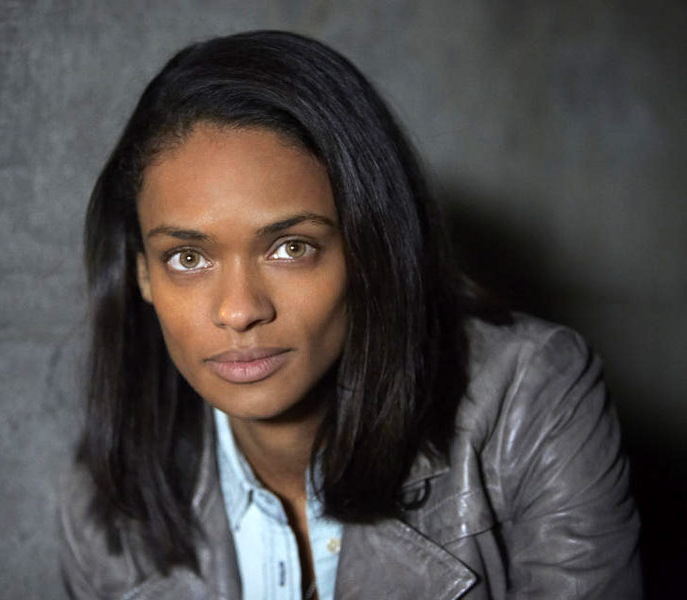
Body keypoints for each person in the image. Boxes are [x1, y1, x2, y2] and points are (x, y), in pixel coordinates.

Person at [59, 31, 641, 599]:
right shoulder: (108, 502)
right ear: (142, 274)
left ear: (370, 250)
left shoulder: (529, 399)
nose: (239, 311)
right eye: (188, 258)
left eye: (291, 248)